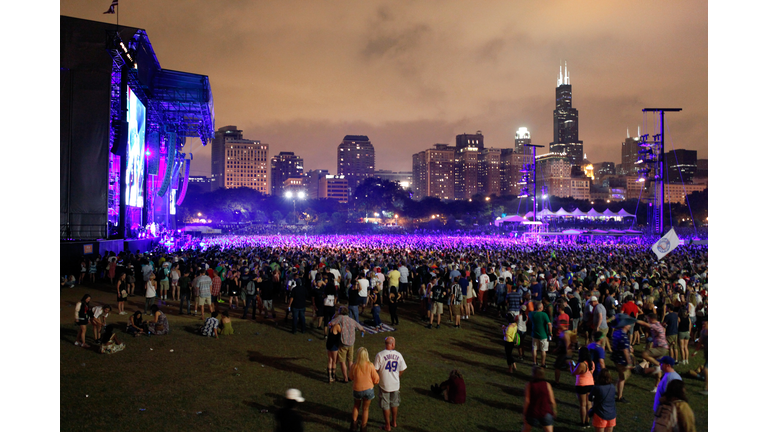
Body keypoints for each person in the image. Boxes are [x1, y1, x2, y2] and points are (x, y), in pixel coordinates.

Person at [373, 337, 407, 432]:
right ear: (392, 344)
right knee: (394, 403)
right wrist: (397, 376)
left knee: (385, 405)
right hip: (395, 384)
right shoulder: (398, 355)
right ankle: (394, 422)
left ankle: (387, 425)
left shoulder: (380, 355)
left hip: (384, 384)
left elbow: (375, 369)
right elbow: (403, 368)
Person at [329, 306, 365, 383]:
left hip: (343, 343)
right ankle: (351, 376)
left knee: (342, 361)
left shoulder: (340, 318)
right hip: (351, 343)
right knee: (350, 361)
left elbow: (331, 323)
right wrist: (362, 331)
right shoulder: (352, 320)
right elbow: (360, 327)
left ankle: (345, 378)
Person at [349, 347, 380, 432]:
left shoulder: (354, 366)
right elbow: (376, 379)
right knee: (365, 409)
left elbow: (350, 377)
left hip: (357, 389)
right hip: (368, 390)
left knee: (356, 406)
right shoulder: (370, 365)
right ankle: (363, 428)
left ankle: (353, 426)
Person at [522, 366, 556, 432]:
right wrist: (554, 411)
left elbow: (527, 400)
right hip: (545, 412)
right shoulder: (547, 385)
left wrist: (524, 413)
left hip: (532, 412)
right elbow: (552, 401)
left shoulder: (529, 385)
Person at [610, 315, 635, 403]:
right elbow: (624, 350)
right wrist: (629, 362)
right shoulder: (623, 335)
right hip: (621, 359)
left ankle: (615, 392)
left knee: (622, 377)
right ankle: (618, 396)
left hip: (616, 357)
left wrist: (629, 347)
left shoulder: (617, 333)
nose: (630, 325)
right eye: (628, 324)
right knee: (623, 377)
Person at [569, 346, 595, 428]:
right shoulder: (592, 363)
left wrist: (571, 365)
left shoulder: (581, 364)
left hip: (581, 385)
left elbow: (574, 373)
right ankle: (587, 422)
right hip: (590, 384)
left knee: (583, 405)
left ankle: (583, 423)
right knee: (589, 404)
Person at [529, 301, 552, 367]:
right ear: (541, 307)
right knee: (543, 350)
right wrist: (550, 332)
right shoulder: (544, 315)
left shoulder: (532, 314)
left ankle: (534, 362)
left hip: (534, 334)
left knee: (534, 348)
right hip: (543, 335)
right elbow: (549, 324)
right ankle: (543, 363)